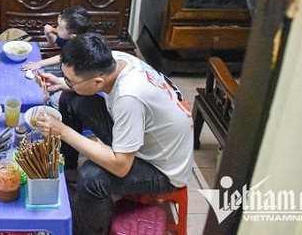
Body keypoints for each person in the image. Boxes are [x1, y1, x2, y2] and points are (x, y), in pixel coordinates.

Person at [34, 33, 194, 235]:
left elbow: (121, 167)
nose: (68, 81)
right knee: (71, 98)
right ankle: (69, 172)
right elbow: (85, 87)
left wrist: (63, 132)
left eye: (71, 80)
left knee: (92, 177)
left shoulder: (129, 98)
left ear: (98, 82)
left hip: (162, 169)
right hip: (144, 139)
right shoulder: (115, 59)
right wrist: (61, 82)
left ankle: (86, 232)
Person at [22, 6, 90, 107]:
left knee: (53, 99)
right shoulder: (69, 37)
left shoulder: (81, 46)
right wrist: (48, 34)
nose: (56, 28)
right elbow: (54, 43)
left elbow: (62, 57)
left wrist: (39, 63)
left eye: (59, 27)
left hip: (80, 81)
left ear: (73, 36)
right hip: (66, 71)